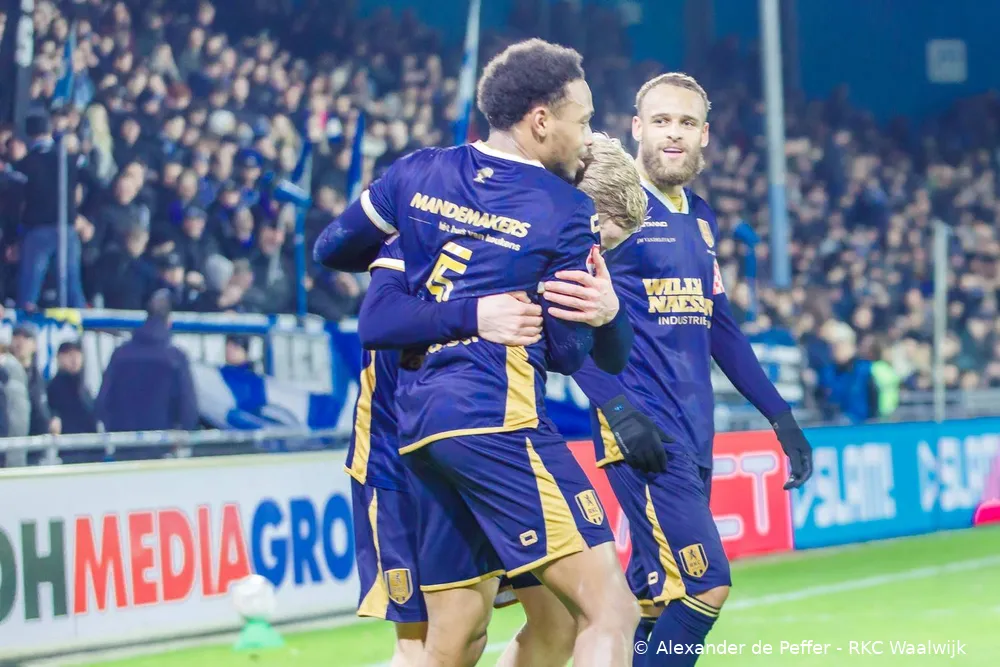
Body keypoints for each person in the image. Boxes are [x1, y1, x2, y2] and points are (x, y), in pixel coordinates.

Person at [316, 39, 639, 667]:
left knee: (465, 638)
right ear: (541, 120)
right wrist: (583, 314)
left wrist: (425, 266)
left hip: (420, 433)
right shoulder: (563, 211)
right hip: (477, 424)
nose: (586, 133)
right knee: (608, 612)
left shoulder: (416, 180)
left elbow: (333, 248)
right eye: (583, 119)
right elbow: (568, 352)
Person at [571, 73, 814, 665]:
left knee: (653, 600)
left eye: (686, 122)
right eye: (660, 121)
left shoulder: (700, 218)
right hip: (643, 430)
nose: (673, 134)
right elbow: (568, 325)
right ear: (637, 128)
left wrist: (780, 417)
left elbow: (720, 328)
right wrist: (618, 410)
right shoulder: (607, 207)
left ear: (704, 134)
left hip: (694, 427)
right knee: (706, 586)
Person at [95, 289, 198, 437]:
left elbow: (102, 403)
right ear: (169, 321)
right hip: (163, 442)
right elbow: (188, 409)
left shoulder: (120, 355)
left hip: (123, 442)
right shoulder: (176, 358)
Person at [46, 340, 97, 435]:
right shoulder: (52, 388)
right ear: (59, 358)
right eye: (69, 355)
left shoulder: (85, 387)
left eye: (77, 355)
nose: (74, 360)